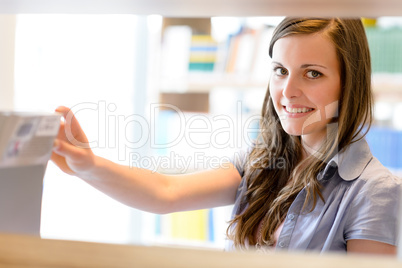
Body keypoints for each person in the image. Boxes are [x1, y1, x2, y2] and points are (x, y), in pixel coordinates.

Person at [51, 17, 401, 255]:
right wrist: (87, 165)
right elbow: (165, 193)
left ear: (348, 81)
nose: (288, 91)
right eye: (280, 71)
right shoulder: (261, 161)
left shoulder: (373, 190)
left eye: (312, 73)